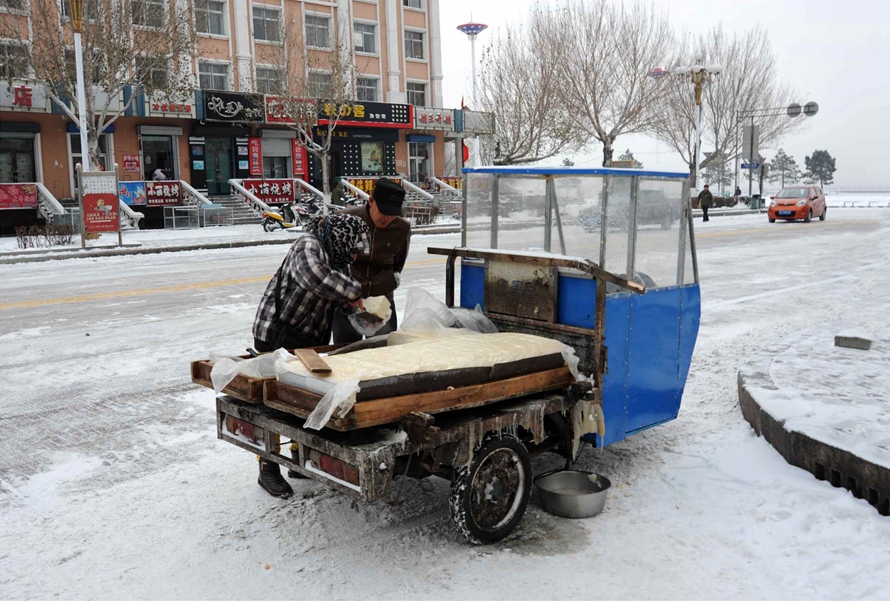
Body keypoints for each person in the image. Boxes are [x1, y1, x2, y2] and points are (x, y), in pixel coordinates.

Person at [251, 213, 369, 497]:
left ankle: (297, 459)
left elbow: (345, 303)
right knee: (275, 403)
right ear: (341, 238)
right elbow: (314, 278)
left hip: (310, 339)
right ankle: (267, 468)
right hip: (277, 333)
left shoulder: (339, 262)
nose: (354, 257)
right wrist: (353, 290)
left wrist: (370, 319)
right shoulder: (308, 245)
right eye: (353, 249)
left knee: (302, 399)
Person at [332, 178, 410, 344]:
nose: (388, 218)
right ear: (371, 201)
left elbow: (398, 266)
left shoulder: (402, 229)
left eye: (393, 214)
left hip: (381, 303)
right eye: (384, 211)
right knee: (345, 354)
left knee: (383, 353)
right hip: (347, 302)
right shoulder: (345, 220)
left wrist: (385, 284)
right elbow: (333, 264)